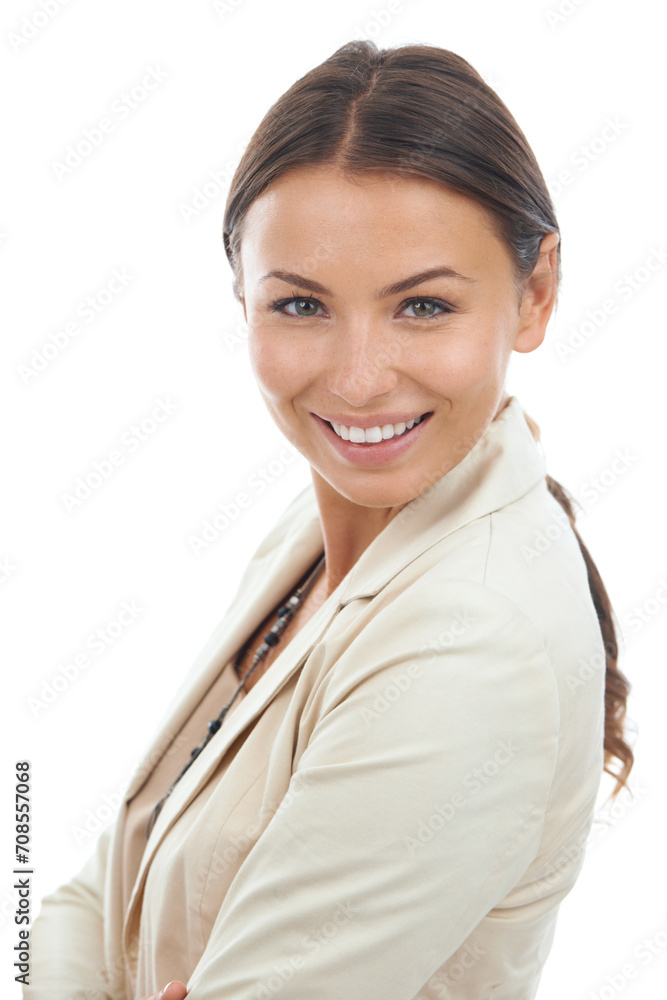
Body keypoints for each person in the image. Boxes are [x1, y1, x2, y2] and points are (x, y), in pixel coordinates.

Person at [27, 39, 634, 1000]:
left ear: (536, 293)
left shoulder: (468, 646)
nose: (355, 382)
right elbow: (95, 897)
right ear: (242, 297)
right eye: (301, 303)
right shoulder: (335, 517)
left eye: (423, 306)